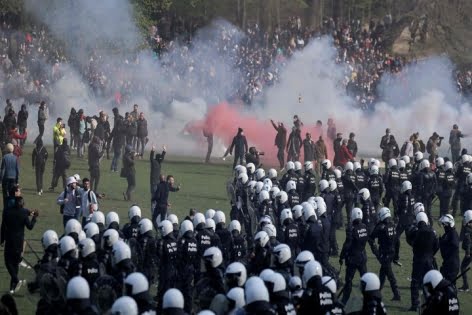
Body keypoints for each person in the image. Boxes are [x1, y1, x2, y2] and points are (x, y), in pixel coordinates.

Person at [1, 195, 38, 294]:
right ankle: (13, 286)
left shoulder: (7, 213)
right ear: (22, 204)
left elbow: (3, 228)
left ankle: (15, 283)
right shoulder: (23, 213)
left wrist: (1, 240)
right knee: (15, 264)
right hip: (19, 242)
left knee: (8, 262)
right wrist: (34, 218)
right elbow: (30, 227)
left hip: (9, 241)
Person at [406, 212, 439, 311]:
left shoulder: (416, 232)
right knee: (428, 282)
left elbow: (413, 244)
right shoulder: (432, 231)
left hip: (418, 260)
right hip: (429, 260)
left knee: (415, 282)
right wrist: (431, 254)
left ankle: (415, 305)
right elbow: (437, 245)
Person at [370, 208, 400, 300]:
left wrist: (375, 251)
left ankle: (397, 294)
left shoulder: (380, 227)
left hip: (384, 253)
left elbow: (371, 238)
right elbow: (397, 241)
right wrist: (396, 256)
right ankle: (378, 292)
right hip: (392, 252)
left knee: (389, 275)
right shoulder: (393, 225)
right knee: (382, 273)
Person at [340, 208, 368, 305]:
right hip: (363, 256)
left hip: (352, 258)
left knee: (348, 281)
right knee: (365, 280)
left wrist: (341, 256)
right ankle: (368, 299)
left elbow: (347, 244)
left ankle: (344, 300)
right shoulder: (364, 227)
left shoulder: (352, 229)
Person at [438, 214, 460, 283]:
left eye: (445, 224)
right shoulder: (447, 233)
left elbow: (455, 245)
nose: (444, 226)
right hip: (447, 263)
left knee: (450, 285)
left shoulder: (453, 233)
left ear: (450, 224)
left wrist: (444, 244)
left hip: (452, 264)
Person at [0, 143, 19, 207]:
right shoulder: (15, 158)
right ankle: (12, 207)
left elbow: (2, 170)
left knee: (5, 194)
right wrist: (17, 180)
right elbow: (17, 170)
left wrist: (0, 180)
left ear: (6, 149)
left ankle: (6, 207)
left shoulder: (4, 157)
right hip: (13, 178)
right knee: (12, 194)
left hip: (6, 178)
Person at [459, 210, 472, 292]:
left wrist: (467, 253)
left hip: (470, 252)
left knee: (463, 267)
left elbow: (468, 241)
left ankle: (465, 286)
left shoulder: (468, 229)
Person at [110, 107, 125, 172]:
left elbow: (112, 134)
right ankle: (114, 168)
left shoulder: (116, 128)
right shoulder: (121, 129)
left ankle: (113, 168)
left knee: (116, 156)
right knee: (117, 156)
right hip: (119, 143)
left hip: (116, 142)